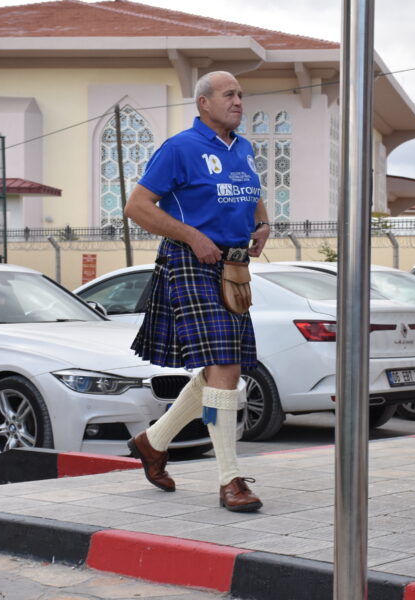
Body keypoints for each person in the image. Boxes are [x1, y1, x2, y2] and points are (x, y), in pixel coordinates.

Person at [124, 70, 270, 512]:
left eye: (241, 95)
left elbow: (249, 192)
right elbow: (137, 206)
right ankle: (230, 481)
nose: (239, 101)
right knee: (225, 364)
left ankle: (153, 442)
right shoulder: (179, 148)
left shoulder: (243, 149)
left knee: (220, 367)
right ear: (204, 103)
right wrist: (192, 236)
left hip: (233, 266)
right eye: (229, 95)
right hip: (192, 261)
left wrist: (263, 223)